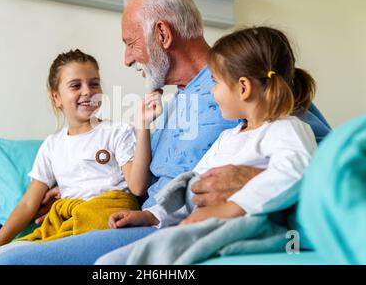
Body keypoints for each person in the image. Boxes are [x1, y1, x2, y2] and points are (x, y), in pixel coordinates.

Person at [0, 0, 331, 265]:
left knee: (5, 264)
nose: (127, 57)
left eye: (131, 43)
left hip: (185, 226)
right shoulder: (168, 108)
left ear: (162, 35)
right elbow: (138, 181)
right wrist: (76, 183)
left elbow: (333, 164)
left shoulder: (252, 87)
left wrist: (254, 179)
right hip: (148, 220)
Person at [98, 26, 318, 264]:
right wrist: (151, 216)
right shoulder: (228, 138)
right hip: (205, 222)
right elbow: (196, 187)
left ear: (243, 88)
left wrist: (232, 207)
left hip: (249, 224)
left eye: (216, 82)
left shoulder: (287, 129)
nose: (211, 91)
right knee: (111, 263)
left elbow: (295, 172)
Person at [0, 49, 160, 264]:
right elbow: (29, 203)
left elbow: (138, 187)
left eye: (94, 84)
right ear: (56, 97)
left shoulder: (118, 131)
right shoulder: (52, 146)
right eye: (76, 85)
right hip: (70, 219)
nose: (87, 91)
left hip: (107, 214)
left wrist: (143, 126)